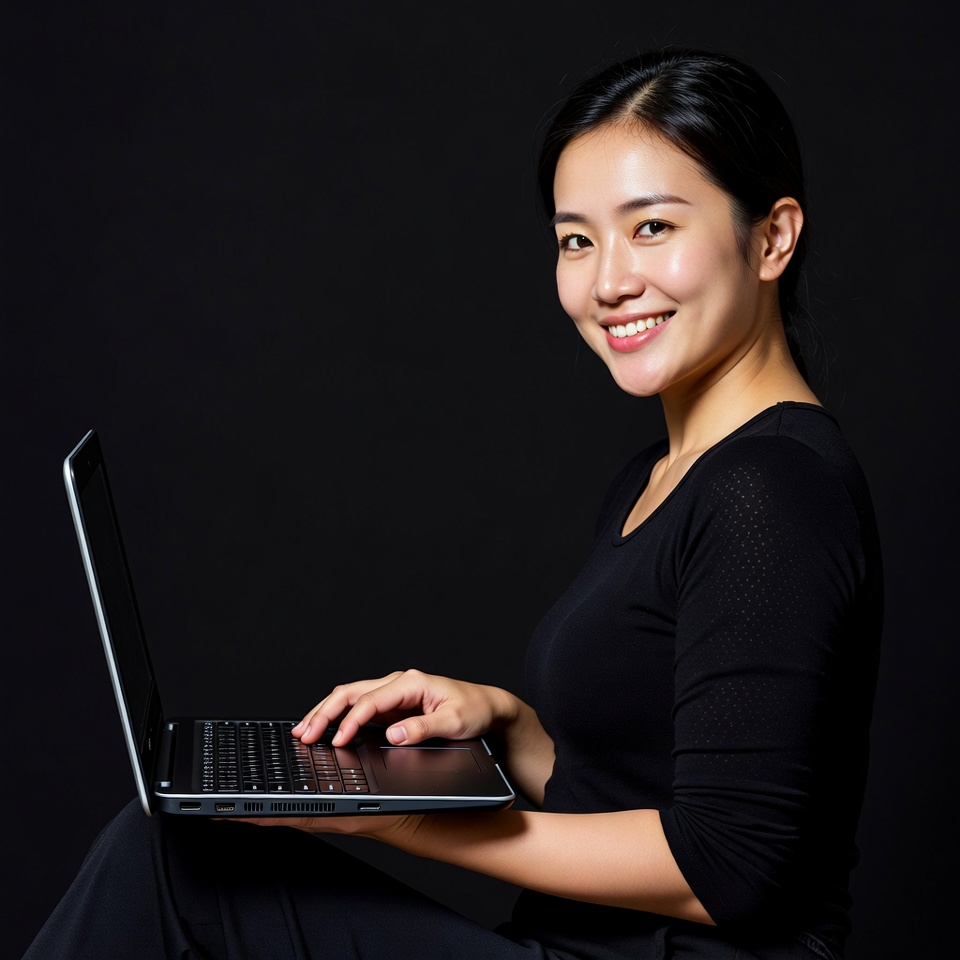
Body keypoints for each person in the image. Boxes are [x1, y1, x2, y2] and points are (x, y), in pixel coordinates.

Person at [23, 48, 882, 960]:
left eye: (653, 227)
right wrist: (510, 731)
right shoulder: (663, 474)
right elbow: (657, 788)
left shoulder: (771, 490)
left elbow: (730, 869)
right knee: (175, 852)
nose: (608, 283)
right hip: (577, 947)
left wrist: (398, 821)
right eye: (576, 240)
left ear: (772, 239)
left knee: (166, 869)